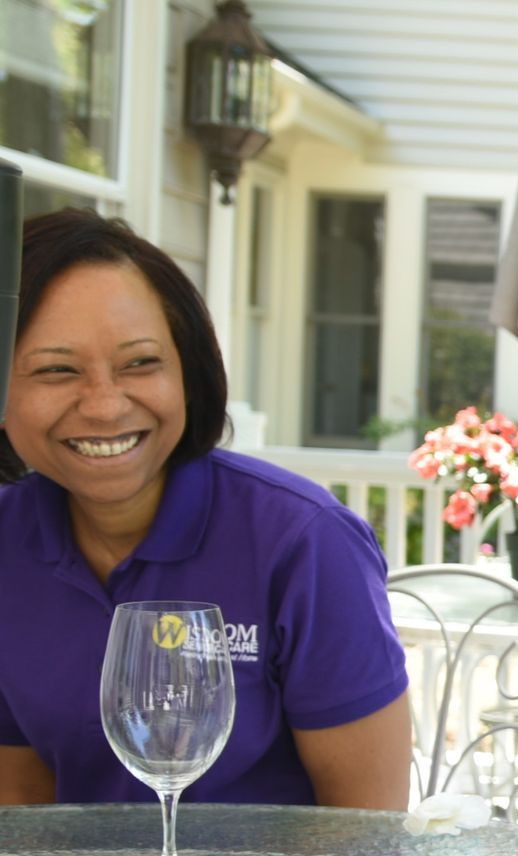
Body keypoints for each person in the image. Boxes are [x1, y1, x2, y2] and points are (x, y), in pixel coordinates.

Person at [0, 210, 411, 808]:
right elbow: (21, 809)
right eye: (57, 370)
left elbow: (369, 831)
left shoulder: (304, 542)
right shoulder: (7, 542)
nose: (107, 406)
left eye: (140, 363)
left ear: (189, 373)